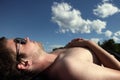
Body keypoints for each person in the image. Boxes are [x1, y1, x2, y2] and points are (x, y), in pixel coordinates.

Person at [0, 37, 120, 80]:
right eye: (20, 42)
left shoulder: (53, 55)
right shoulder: (70, 68)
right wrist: (90, 44)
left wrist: (70, 46)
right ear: (25, 63)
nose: (26, 38)